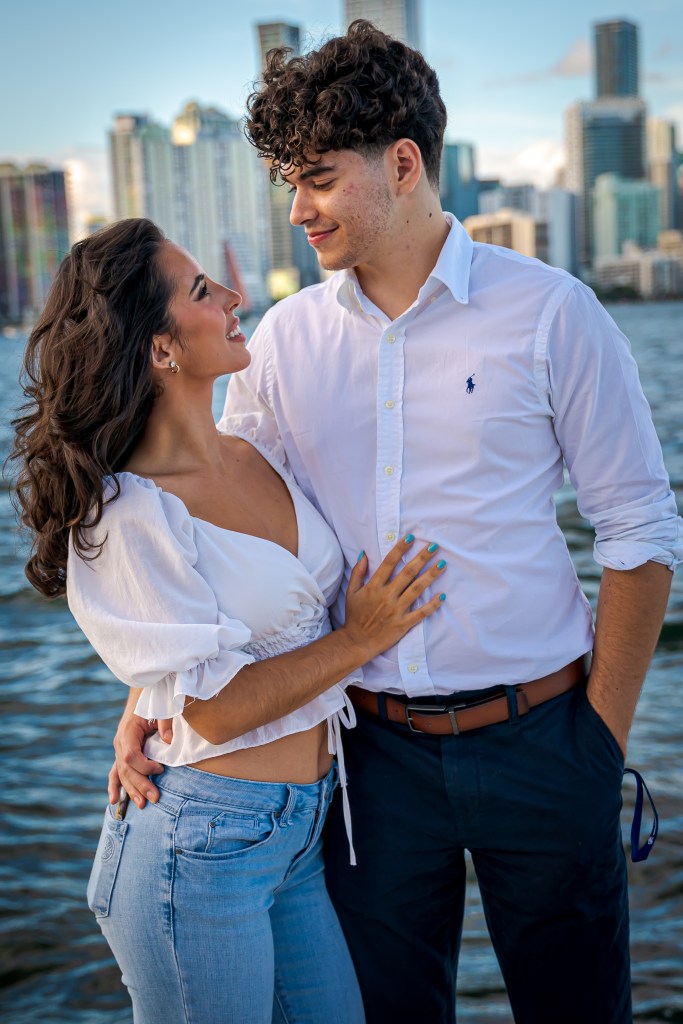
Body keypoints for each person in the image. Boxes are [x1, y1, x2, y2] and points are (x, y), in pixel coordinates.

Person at [112, 21, 683, 1024]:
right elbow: (229, 539)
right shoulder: (281, 342)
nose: (297, 210)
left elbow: (637, 528)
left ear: (404, 164)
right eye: (289, 183)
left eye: (318, 180)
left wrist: (600, 737)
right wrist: (148, 694)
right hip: (366, 759)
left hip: (545, 741)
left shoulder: (552, 312)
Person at [9, 217, 448, 1024]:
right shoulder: (127, 513)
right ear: (160, 348)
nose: (235, 296)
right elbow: (211, 708)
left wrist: (142, 704)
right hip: (198, 844)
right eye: (202, 290)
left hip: (301, 834)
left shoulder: (255, 452)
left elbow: (201, 642)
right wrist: (360, 638)